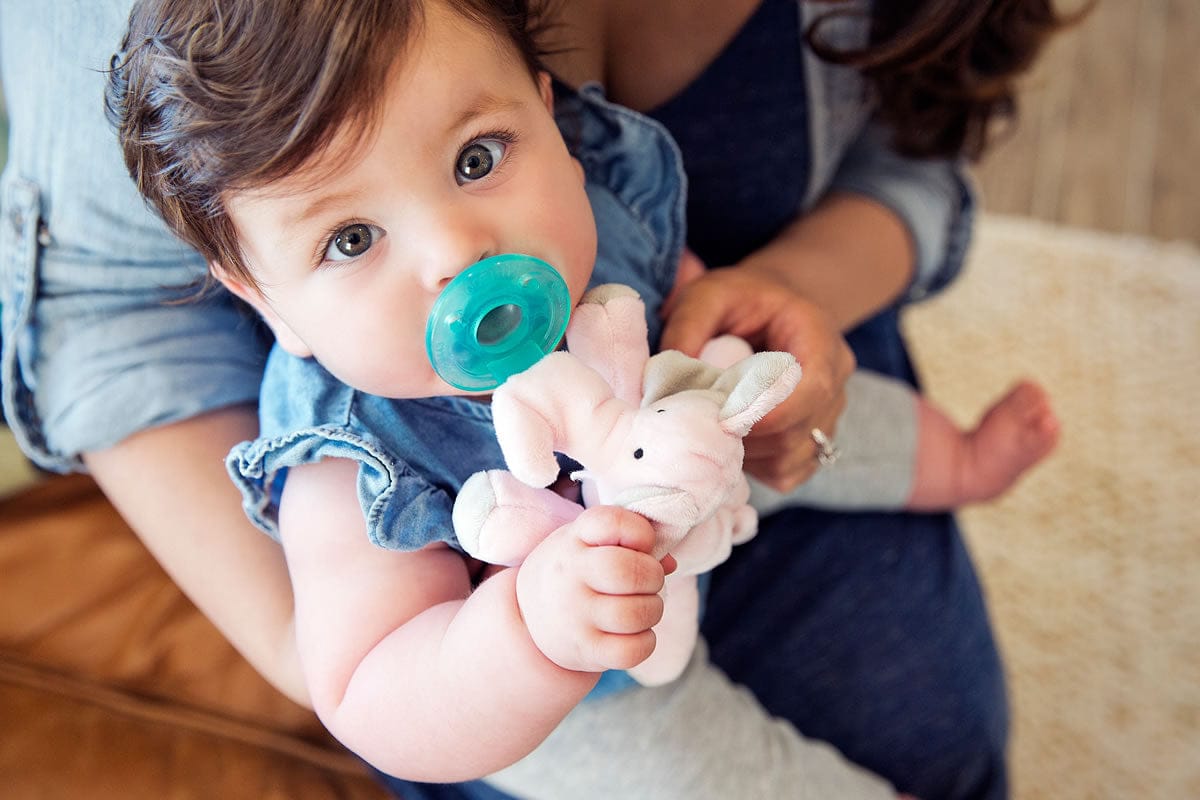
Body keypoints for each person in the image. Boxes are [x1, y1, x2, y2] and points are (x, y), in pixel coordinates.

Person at [0, 0, 1071, 798]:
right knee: (707, 776)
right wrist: (528, 632)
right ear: (264, 299)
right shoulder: (346, 461)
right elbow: (375, 689)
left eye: (477, 158)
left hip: (684, 448)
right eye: (353, 239)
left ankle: (959, 458)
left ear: (552, 115)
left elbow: (737, 290)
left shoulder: (597, 202)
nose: (457, 250)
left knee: (797, 408)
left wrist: (752, 323)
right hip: (576, 668)